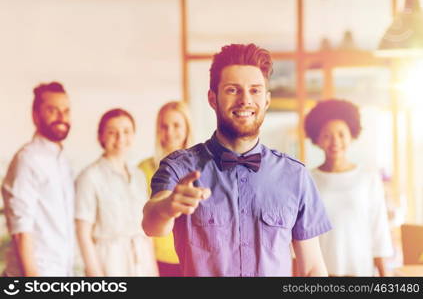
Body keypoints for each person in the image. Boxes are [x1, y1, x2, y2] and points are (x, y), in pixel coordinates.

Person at [142, 43, 331, 277]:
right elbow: (152, 224)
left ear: (267, 100)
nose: (245, 100)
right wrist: (167, 207)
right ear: (213, 98)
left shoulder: (296, 176)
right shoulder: (179, 167)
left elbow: (312, 268)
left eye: (255, 90)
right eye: (233, 90)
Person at [304, 98, 393, 276]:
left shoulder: (368, 178)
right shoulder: (308, 180)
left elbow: (379, 231)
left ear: (351, 135)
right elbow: (303, 235)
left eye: (341, 134)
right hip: (322, 274)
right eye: (327, 135)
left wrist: (386, 277)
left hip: (362, 273)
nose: (335, 141)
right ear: (317, 139)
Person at [2, 82, 75, 276]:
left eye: (66, 111)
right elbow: (21, 231)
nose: (62, 117)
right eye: (52, 110)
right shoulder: (27, 159)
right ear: (35, 115)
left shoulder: (64, 162)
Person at [75, 108, 158, 276]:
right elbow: (83, 233)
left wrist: (154, 270)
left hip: (142, 262)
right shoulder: (89, 176)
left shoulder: (139, 175)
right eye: (112, 132)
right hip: (110, 263)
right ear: (101, 136)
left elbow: (146, 228)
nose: (120, 138)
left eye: (126, 131)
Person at [139, 101, 192, 276]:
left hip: (194, 258)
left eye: (176, 125)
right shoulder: (143, 169)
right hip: (157, 260)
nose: (169, 132)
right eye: (164, 126)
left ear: (187, 128)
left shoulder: (203, 167)